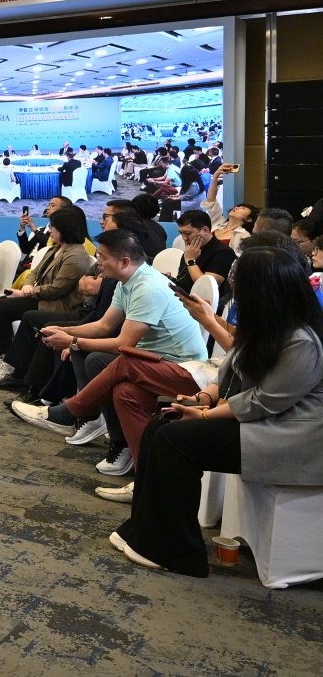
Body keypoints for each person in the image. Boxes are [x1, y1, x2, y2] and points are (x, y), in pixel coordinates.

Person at [110, 244, 323, 577]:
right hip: (264, 424)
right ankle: (145, 531)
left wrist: (206, 415)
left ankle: (179, 553)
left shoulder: (302, 341)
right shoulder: (267, 325)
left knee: (175, 440)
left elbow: (265, 400)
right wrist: (201, 400)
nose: (235, 290)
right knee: (158, 427)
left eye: (241, 283)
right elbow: (230, 371)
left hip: (291, 437)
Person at [11, 229, 208, 501]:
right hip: (154, 361)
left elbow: (123, 344)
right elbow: (104, 326)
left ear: (124, 262)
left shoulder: (148, 287)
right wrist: (65, 331)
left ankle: (73, 412)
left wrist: (73, 340)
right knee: (122, 390)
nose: (98, 263)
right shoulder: (126, 283)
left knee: (101, 357)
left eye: (102, 257)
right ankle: (142, 473)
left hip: (183, 369)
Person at [0, 207, 91, 372]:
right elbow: (34, 272)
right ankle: (1, 356)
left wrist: (28, 292)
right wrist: (27, 285)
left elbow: (57, 289)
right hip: (40, 297)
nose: (50, 230)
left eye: (53, 227)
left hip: (55, 304)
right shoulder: (55, 249)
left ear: (64, 229)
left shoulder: (76, 256)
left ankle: (8, 362)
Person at [175, 209, 236, 294]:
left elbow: (206, 287)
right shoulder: (192, 249)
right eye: (181, 233)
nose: (184, 238)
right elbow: (184, 280)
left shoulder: (224, 253)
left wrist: (190, 260)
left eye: (188, 233)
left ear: (205, 230)